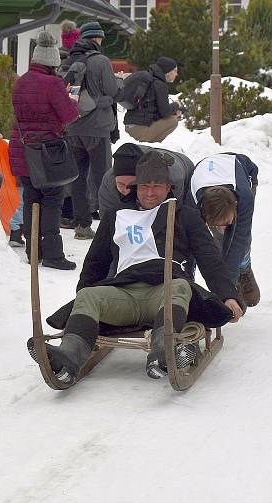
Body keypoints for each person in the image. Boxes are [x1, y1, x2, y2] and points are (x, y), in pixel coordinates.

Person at [40, 151, 244, 384]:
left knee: (177, 286)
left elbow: (210, 259)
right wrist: (81, 307)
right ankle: (69, 356)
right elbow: (95, 262)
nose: (149, 192)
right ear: (136, 187)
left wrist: (229, 295)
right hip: (124, 292)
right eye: (144, 185)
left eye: (157, 186)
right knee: (88, 295)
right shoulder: (115, 216)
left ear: (169, 187)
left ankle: (164, 352)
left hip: (164, 292)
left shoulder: (184, 215)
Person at [9, 30, 80, 270]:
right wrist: (71, 100)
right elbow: (69, 116)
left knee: (31, 198)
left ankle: (33, 252)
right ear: (53, 62)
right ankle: (52, 254)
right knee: (52, 199)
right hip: (49, 153)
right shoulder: (53, 84)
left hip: (23, 149)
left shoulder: (21, 82)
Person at [62, 21, 123, 241]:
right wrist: (115, 89)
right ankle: (110, 226)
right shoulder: (101, 61)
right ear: (97, 39)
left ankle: (81, 225)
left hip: (73, 127)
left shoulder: (69, 60)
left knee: (78, 178)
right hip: (97, 128)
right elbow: (112, 91)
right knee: (104, 176)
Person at [186, 153, 260, 308]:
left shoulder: (245, 198)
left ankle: (244, 269)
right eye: (215, 224)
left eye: (225, 222)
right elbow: (193, 247)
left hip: (243, 169)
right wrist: (187, 287)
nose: (221, 228)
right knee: (215, 241)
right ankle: (231, 276)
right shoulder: (191, 204)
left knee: (238, 239)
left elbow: (240, 239)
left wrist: (228, 292)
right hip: (204, 172)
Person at [97, 142, 193, 218]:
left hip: (182, 166)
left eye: (132, 185)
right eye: (121, 185)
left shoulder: (171, 178)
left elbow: (173, 218)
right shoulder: (109, 181)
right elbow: (107, 223)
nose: (126, 191)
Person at [123, 57, 182, 143]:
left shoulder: (149, 78)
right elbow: (164, 112)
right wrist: (176, 105)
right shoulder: (159, 85)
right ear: (168, 72)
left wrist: (172, 110)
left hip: (131, 124)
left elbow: (152, 110)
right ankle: (152, 145)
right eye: (175, 71)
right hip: (139, 128)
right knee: (173, 120)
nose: (176, 74)